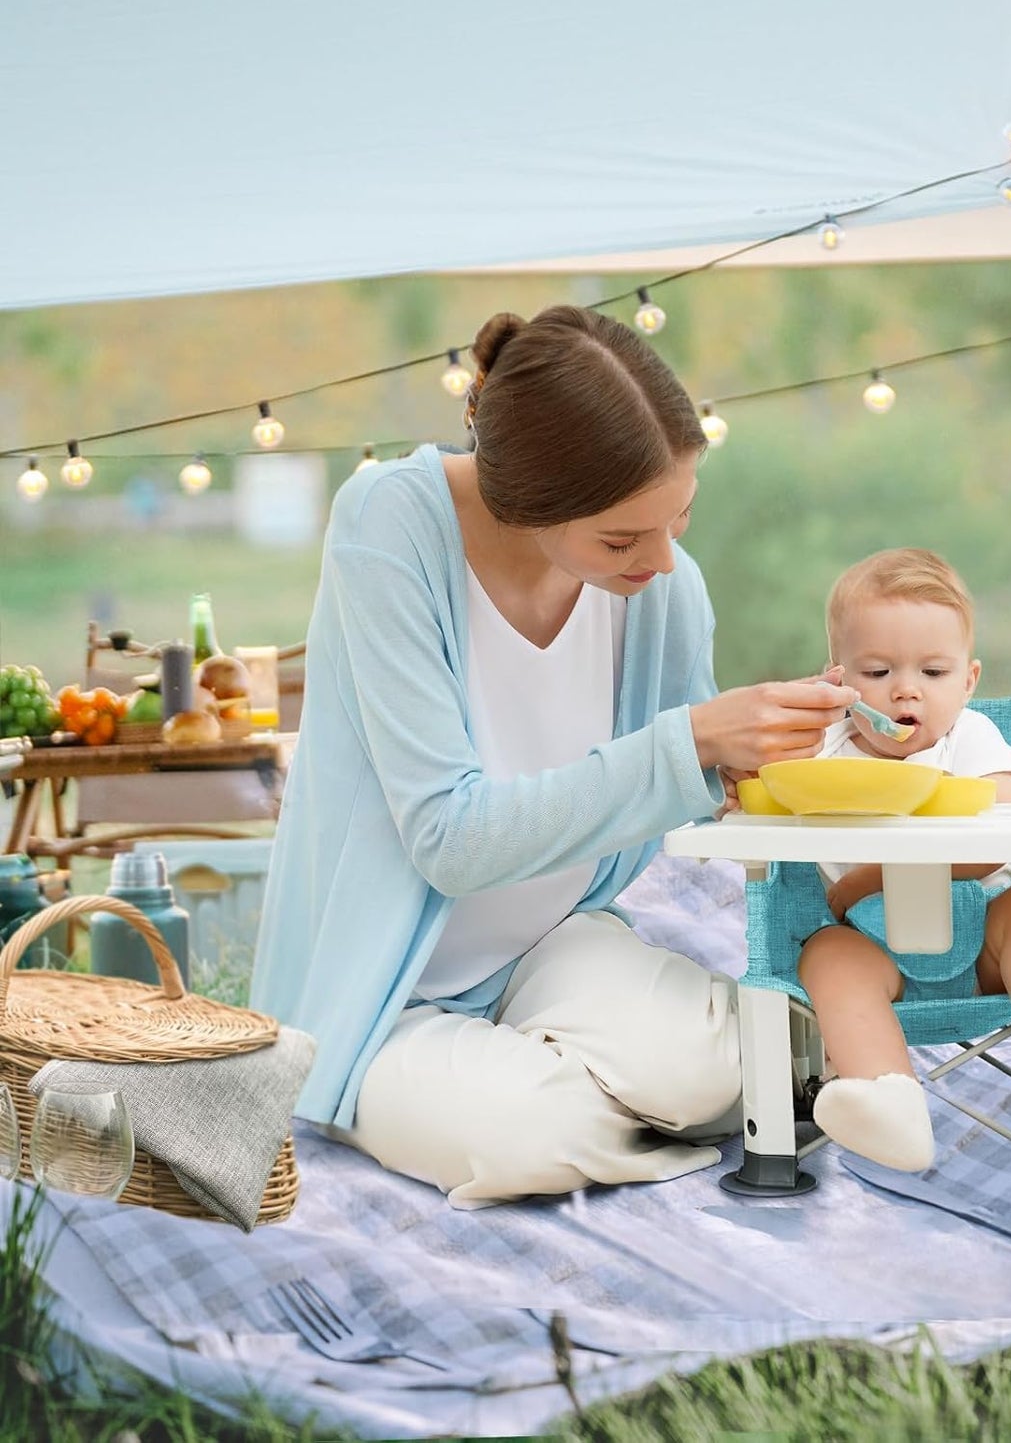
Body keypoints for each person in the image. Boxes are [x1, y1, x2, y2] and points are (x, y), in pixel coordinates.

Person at [249, 305, 858, 1208]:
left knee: (738, 1057)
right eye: (620, 539)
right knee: (527, 1134)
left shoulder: (662, 589)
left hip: (553, 945)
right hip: (389, 987)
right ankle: (560, 1099)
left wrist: (756, 767)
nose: (659, 560)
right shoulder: (390, 524)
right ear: (525, 501)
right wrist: (689, 741)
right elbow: (448, 839)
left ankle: (585, 1089)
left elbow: (667, 797)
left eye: (678, 519)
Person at [796, 548, 1011, 1173]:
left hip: (986, 947)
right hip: (877, 957)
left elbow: (995, 831)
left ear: (968, 681)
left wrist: (868, 877)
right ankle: (886, 1100)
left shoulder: (971, 738)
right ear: (839, 680)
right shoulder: (824, 755)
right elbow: (769, 800)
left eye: (932, 671)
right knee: (826, 955)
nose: (905, 689)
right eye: (876, 671)